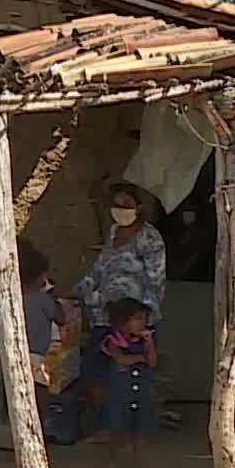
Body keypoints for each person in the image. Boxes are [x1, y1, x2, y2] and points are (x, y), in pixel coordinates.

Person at [65, 182, 168, 428]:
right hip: (105, 317)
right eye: (117, 205)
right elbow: (99, 270)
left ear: (139, 207)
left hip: (131, 323)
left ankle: (130, 433)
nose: (121, 210)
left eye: (127, 205)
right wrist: (76, 292)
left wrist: (143, 321)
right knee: (95, 372)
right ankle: (106, 428)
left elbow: (157, 281)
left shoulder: (149, 237)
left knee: (130, 379)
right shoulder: (113, 233)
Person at [98, 298, 159, 464]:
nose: (143, 324)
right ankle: (116, 458)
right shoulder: (112, 340)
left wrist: (149, 344)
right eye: (138, 319)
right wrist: (140, 357)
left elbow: (153, 362)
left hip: (140, 392)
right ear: (123, 322)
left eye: (145, 320)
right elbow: (120, 359)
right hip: (119, 392)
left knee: (140, 428)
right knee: (118, 427)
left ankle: (138, 458)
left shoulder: (144, 342)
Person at [17, 240, 56, 355]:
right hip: (38, 355)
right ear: (39, 277)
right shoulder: (42, 298)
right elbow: (61, 318)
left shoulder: (13, 300)